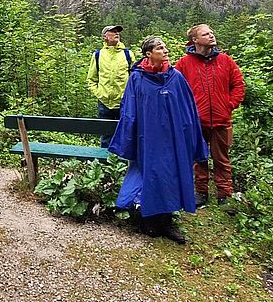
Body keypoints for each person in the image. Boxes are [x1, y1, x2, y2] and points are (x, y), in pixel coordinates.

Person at [108, 36, 208, 244]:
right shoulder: (137, 79)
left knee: (170, 176)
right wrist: (129, 139)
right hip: (148, 139)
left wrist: (190, 137)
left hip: (172, 140)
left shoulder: (176, 77)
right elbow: (129, 110)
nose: (165, 50)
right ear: (148, 54)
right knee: (150, 176)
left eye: (165, 47)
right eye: (159, 48)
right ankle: (148, 220)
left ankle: (167, 221)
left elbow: (188, 109)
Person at [175, 24, 245, 207]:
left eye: (212, 33)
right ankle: (201, 193)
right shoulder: (184, 64)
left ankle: (224, 193)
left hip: (221, 120)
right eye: (206, 34)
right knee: (199, 158)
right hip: (196, 121)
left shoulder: (226, 61)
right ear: (195, 40)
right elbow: (176, 90)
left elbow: (238, 85)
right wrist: (187, 112)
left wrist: (229, 105)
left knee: (222, 158)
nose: (211, 36)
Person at [87, 25, 135, 147]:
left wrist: (130, 95)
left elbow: (135, 78)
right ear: (105, 37)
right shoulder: (98, 55)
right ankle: (105, 164)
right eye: (112, 32)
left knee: (125, 135)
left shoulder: (128, 54)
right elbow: (91, 79)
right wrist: (99, 94)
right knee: (106, 136)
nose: (116, 33)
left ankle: (122, 163)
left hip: (124, 102)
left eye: (117, 32)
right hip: (104, 102)